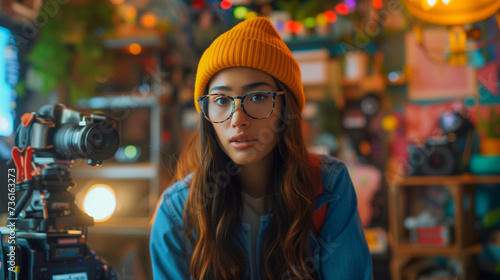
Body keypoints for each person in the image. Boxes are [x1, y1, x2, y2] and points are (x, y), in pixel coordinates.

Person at [150, 17, 373, 280]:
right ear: (205, 112)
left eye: (257, 97)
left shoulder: (328, 185)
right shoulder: (177, 210)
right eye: (221, 100)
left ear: (285, 108)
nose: (237, 119)